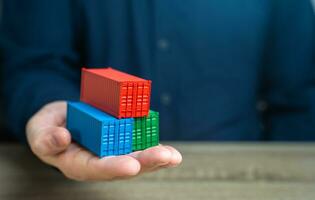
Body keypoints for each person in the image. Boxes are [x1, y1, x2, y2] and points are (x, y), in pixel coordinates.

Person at [1, 0, 315, 180]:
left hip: (242, 175)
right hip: (79, 185)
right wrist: (49, 106)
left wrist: (282, 181)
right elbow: (32, 63)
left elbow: (300, 94)